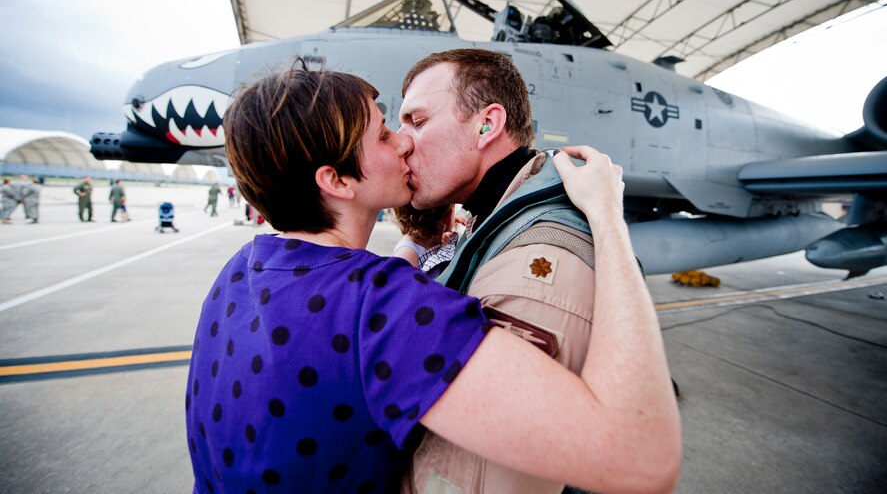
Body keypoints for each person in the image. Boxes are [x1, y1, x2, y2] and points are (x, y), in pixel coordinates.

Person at [185, 62, 680, 494]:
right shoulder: (386, 306)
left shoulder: (239, 273)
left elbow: (348, 319)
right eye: (384, 134)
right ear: (335, 180)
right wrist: (609, 221)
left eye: (414, 122)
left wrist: (415, 245)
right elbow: (640, 457)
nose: (404, 142)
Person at [397, 48, 662, 494]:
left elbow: (476, 478)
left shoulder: (537, 254)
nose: (402, 141)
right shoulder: (498, 212)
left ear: (487, 125)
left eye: (417, 122)